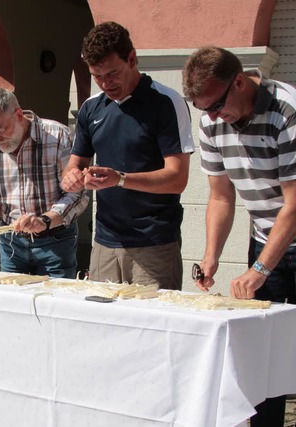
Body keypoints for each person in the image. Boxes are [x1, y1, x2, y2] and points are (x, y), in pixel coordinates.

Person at [183, 46, 296, 427]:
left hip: (284, 233)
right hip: (267, 239)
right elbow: (220, 195)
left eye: (216, 105)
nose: (213, 117)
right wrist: (211, 255)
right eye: (203, 109)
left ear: (239, 81)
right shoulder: (211, 121)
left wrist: (261, 268)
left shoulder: (287, 112)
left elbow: (294, 206)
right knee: (262, 358)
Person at [61, 21, 194, 290]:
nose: (105, 84)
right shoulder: (91, 108)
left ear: (132, 59)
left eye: (112, 74)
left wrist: (120, 179)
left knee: (153, 326)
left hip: (154, 242)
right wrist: (72, 179)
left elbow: (177, 178)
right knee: (104, 326)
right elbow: (72, 168)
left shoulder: (166, 102)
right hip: (105, 242)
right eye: (97, 77)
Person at [0, 88, 88, 278]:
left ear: (19, 115)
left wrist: (45, 220)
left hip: (55, 239)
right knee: (13, 303)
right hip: (11, 243)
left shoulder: (58, 136)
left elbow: (77, 194)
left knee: (54, 302)